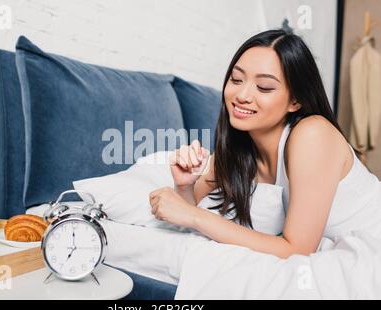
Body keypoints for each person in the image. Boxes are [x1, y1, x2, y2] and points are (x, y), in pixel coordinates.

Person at [149, 29, 381, 259]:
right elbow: (185, 213)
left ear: (296, 100)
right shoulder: (234, 148)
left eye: (264, 87)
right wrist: (185, 186)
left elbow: (297, 249)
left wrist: (195, 216)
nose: (242, 95)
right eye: (236, 79)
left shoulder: (312, 134)